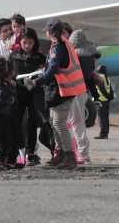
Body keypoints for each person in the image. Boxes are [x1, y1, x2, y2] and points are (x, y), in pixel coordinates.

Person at [28, 18, 87, 170]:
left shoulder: (58, 47)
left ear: (50, 32)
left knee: (59, 124)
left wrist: (36, 82)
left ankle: (69, 157)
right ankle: (60, 155)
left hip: (62, 90)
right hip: (63, 89)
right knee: (54, 122)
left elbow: (52, 69)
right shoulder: (64, 43)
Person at [10, 27, 47, 166]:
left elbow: (45, 74)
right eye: (24, 42)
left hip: (34, 93)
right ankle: (18, 151)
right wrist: (12, 81)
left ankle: (31, 152)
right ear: (20, 42)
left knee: (32, 123)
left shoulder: (40, 57)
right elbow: (8, 73)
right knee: (16, 122)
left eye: (30, 43)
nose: (27, 46)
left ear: (35, 42)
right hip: (18, 93)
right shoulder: (13, 56)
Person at [67, 28, 97, 163]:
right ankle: (82, 152)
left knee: (73, 123)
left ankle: (80, 152)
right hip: (83, 92)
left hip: (73, 92)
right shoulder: (89, 58)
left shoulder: (74, 57)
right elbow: (90, 77)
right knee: (78, 123)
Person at [94, 64, 113, 140]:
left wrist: (106, 96)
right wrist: (110, 97)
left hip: (101, 100)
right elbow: (110, 89)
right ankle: (106, 133)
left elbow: (102, 89)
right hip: (106, 101)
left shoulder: (100, 78)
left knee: (101, 118)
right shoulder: (107, 78)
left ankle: (102, 134)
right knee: (106, 117)